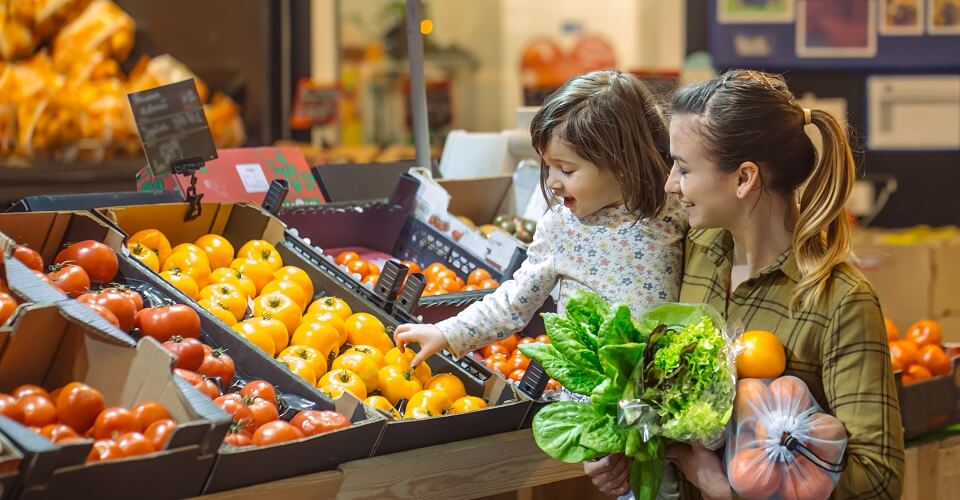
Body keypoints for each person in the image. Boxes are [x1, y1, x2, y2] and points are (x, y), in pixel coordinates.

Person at [588, 69, 905, 499]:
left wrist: (722, 485)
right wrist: (625, 443)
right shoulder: (692, 250)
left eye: (683, 169)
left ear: (744, 178)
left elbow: (879, 482)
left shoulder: (839, 301)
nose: (670, 185)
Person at [393, 70, 686, 395]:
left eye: (567, 169)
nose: (552, 181)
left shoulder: (673, 210)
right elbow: (513, 302)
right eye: (548, 166)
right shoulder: (561, 227)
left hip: (662, 401)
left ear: (622, 162)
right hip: (589, 407)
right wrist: (447, 332)